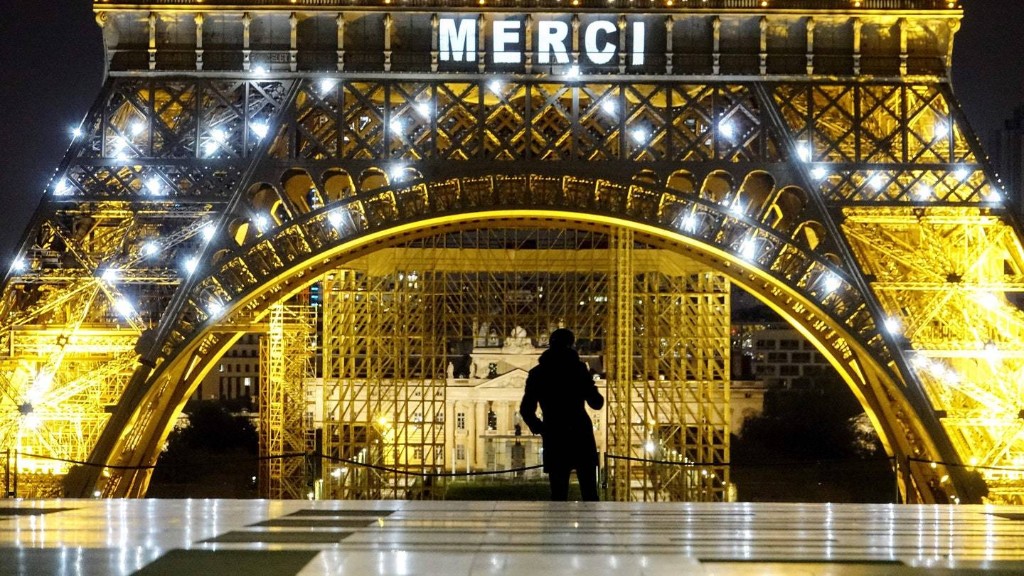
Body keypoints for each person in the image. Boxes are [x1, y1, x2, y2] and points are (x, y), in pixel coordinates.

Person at [520, 328, 605, 501]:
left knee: (558, 494)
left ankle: (555, 526)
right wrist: (590, 386)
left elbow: (526, 409)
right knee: (589, 493)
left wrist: (541, 428)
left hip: (555, 432)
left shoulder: (537, 373)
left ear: (551, 345)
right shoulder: (578, 369)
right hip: (580, 432)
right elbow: (596, 403)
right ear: (570, 345)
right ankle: (593, 528)